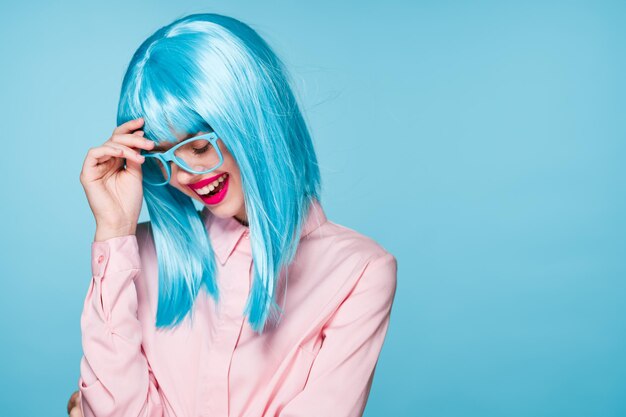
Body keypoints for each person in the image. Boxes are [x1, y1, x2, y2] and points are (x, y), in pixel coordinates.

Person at [67, 12, 398, 417]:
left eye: (200, 147)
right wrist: (114, 231)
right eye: (161, 159)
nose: (185, 176)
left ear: (251, 121)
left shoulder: (359, 272)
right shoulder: (137, 257)